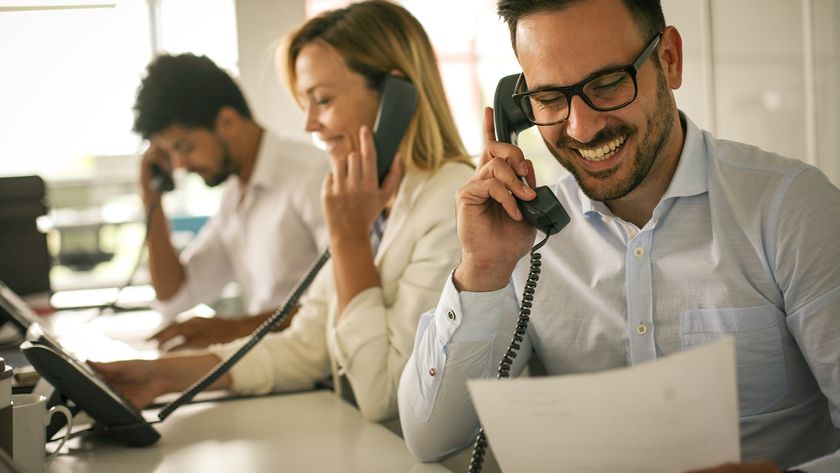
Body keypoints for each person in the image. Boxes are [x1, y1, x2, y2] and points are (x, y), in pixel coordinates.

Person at [397, 0, 840, 471]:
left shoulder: (792, 208)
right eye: (549, 99)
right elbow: (430, 438)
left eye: (607, 85)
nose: (581, 127)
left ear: (669, 59)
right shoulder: (530, 235)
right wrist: (481, 270)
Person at [92, 0, 474, 422]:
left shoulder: (450, 203)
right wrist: (160, 375)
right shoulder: (368, 197)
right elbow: (307, 345)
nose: (309, 123)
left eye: (322, 100)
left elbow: (382, 394)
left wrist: (348, 241)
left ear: (395, 96)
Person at [133, 53, 330, 350]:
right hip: (272, 370)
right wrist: (151, 198)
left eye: (185, 147)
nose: (181, 165)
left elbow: (341, 304)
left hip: (320, 377)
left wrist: (234, 330)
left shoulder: (312, 176)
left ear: (226, 122)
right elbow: (174, 296)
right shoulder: (235, 197)